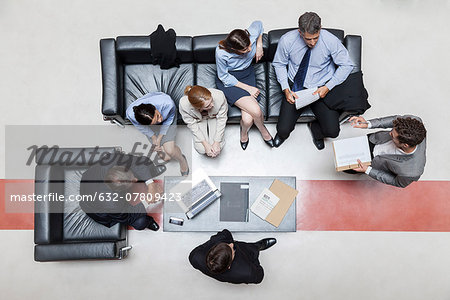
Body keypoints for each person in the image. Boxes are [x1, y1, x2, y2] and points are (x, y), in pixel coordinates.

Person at [272, 12, 354, 150]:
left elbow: (347, 65)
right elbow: (279, 64)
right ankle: (282, 135)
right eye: (308, 39)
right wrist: (285, 88)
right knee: (283, 130)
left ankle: (316, 130)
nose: (312, 43)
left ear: (320, 28)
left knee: (332, 132)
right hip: (296, 86)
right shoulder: (287, 40)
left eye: (315, 38)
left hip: (321, 87)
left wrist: (328, 87)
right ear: (300, 32)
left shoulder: (330, 41)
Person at [215, 20, 274, 150]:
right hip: (230, 81)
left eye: (249, 46)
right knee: (257, 112)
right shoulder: (221, 53)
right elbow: (224, 76)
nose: (249, 50)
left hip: (247, 74)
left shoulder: (250, 37)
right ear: (233, 49)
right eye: (244, 49)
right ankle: (263, 130)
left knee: (247, 120)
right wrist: (249, 88)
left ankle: (243, 133)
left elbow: (259, 24)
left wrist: (259, 44)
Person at [79, 153, 165, 231]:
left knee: (144, 161)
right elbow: (127, 216)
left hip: (90, 179)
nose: (136, 179)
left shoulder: (112, 159)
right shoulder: (112, 204)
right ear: (120, 191)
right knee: (140, 223)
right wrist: (146, 200)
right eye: (133, 181)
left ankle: (151, 172)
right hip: (98, 207)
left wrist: (150, 184)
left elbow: (135, 161)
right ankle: (149, 222)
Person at [349, 115, 427, 188]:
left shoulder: (412, 172)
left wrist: (368, 170)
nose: (389, 133)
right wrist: (368, 124)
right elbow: (394, 120)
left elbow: (396, 182)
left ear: (405, 145)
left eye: (393, 135)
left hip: (373, 162)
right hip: (375, 140)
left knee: (348, 169)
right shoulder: (415, 122)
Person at [126, 92, 189, 176]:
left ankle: (182, 160)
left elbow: (168, 120)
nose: (159, 121)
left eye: (158, 116)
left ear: (154, 108)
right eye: (156, 122)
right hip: (151, 128)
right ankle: (154, 122)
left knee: (170, 150)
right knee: (166, 157)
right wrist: (154, 138)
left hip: (168, 120)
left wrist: (159, 138)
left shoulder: (167, 103)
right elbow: (142, 128)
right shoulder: (131, 115)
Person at [189, 229, 277, 284]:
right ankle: (256, 247)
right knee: (248, 249)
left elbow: (225, 233)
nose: (231, 244)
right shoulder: (248, 272)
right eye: (232, 250)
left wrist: (214, 242)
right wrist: (254, 255)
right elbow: (260, 276)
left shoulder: (194, 257)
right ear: (229, 266)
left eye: (227, 244)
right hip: (247, 257)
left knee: (236, 245)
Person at [179, 85, 228, 157]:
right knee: (201, 149)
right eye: (207, 106)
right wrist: (205, 144)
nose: (213, 105)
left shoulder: (219, 96)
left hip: (213, 117)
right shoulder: (184, 105)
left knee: (219, 145)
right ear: (197, 107)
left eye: (212, 100)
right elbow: (192, 125)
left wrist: (217, 142)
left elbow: (222, 119)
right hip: (198, 120)